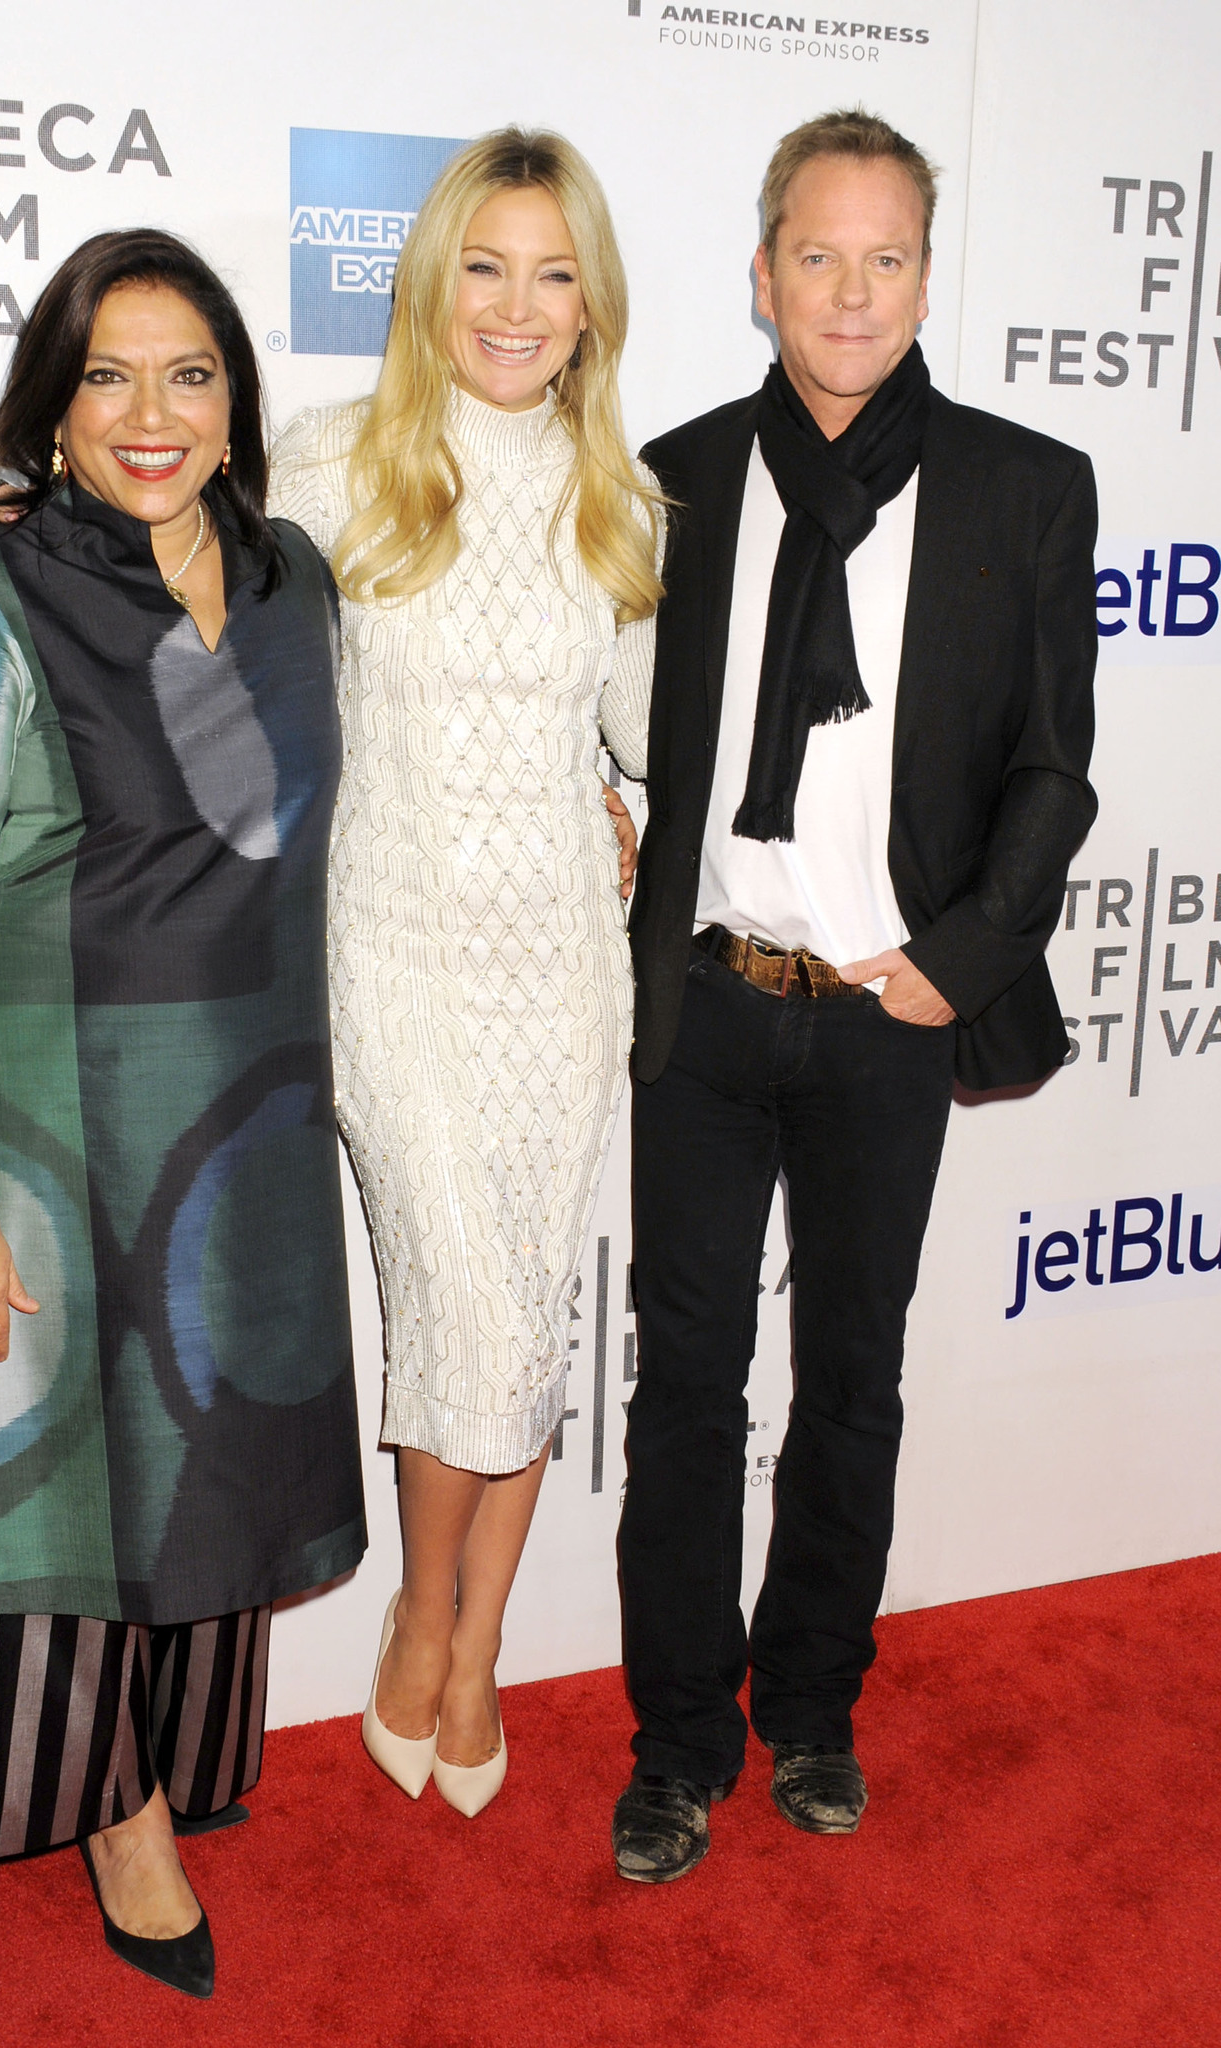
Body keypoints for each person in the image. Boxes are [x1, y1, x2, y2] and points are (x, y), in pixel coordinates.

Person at [0, 228, 365, 1996]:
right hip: (57, 1118)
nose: (150, 414)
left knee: (213, 1454)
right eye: (107, 375)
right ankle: (114, 1813)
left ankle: (178, 1759)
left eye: (191, 373)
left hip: (249, 1107)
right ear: (53, 409)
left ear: (237, 400)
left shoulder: (297, 578)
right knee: (79, 1494)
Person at [612, 108, 1098, 1883]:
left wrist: (954, 967)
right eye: (816, 254)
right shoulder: (665, 479)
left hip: (886, 1012)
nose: (850, 290)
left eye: (885, 255)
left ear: (921, 273)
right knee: (685, 1390)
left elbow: (1055, 773)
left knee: (853, 1379)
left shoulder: (1025, 488)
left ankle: (808, 1705)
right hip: (711, 1008)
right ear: (759, 275)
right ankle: (674, 1744)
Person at [267, 127, 659, 1815]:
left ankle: (471, 1639)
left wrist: (630, 805)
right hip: (395, 956)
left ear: (591, 306)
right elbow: (235, 688)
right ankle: (428, 1610)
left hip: (565, 968)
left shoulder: (622, 501)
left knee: (521, 1314)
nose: (516, 305)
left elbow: (648, 738)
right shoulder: (332, 461)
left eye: (552, 272)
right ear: (432, 285)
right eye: (485, 267)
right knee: (470, 1308)